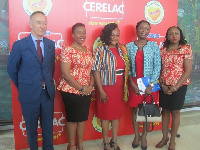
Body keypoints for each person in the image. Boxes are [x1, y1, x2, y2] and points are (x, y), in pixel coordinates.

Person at [7, 11, 55, 150]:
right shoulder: (20, 45)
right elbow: (12, 70)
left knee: (48, 129)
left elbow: (50, 69)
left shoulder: (50, 44)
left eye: (44, 23)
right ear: (30, 24)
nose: (42, 26)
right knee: (31, 130)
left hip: (47, 95)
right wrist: (25, 85)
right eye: (38, 22)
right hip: (29, 95)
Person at [57, 23, 94, 150]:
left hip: (87, 91)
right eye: (79, 32)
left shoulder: (88, 50)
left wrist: (90, 86)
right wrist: (82, 88)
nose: (82, 35)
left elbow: (91, 71)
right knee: (72, 119)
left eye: (84, 32)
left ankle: (80, 145)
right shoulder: (67, 49)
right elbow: (65, 74)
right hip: (70, 90)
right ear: (73, 35)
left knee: (82, 119)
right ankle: (72, 146)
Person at [92, 23, 129, 150]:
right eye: (112, 35)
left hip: (119, 87)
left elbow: (127, 68)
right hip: (106, 87)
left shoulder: (123, 49)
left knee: (116, 115)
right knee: (105, 115)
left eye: (117, 35)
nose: (115, 37)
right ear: (107, 35)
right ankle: (106, 142)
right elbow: (95, 70)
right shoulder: (100, 50)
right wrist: (101, 90)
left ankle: (115, 140)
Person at [156, 26, 193, 150]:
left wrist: (175, 87)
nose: (174, 36)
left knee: (175, 112)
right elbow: (159, 69)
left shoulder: (186, 49)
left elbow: (187, 71)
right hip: (164, 86)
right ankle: (164, 137)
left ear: (180, 35)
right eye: (171, 34)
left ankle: (172, 140)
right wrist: (162, 85)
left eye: (176, 33)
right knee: (165, 111)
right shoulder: (163, 50)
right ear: (167, 36)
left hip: (179, 86)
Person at [126, 20, 161, 150]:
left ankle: (144, 136)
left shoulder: (153, 46)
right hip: (134, 83)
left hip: (150, 84)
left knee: (148, 111)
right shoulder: (128, 46)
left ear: (149, 31)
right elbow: (127, 66)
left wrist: (151, 85)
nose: (144, 31)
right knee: (135, 110)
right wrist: (131, 83)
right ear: (137, 30)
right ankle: (136, 135)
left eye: (147, 29)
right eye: (141, 28)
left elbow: (158, 66)